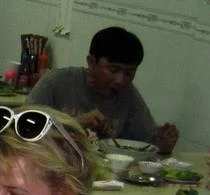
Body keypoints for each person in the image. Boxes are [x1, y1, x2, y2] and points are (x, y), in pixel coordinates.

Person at [27, 26, 179, 154]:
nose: (121, 80)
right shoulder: (56, 82)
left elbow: (146, 144)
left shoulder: (128, 94)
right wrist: (74, 124)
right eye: (113, 70)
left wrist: (163, 144)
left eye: (129, 73)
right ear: (91, 62)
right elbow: (21, 130)